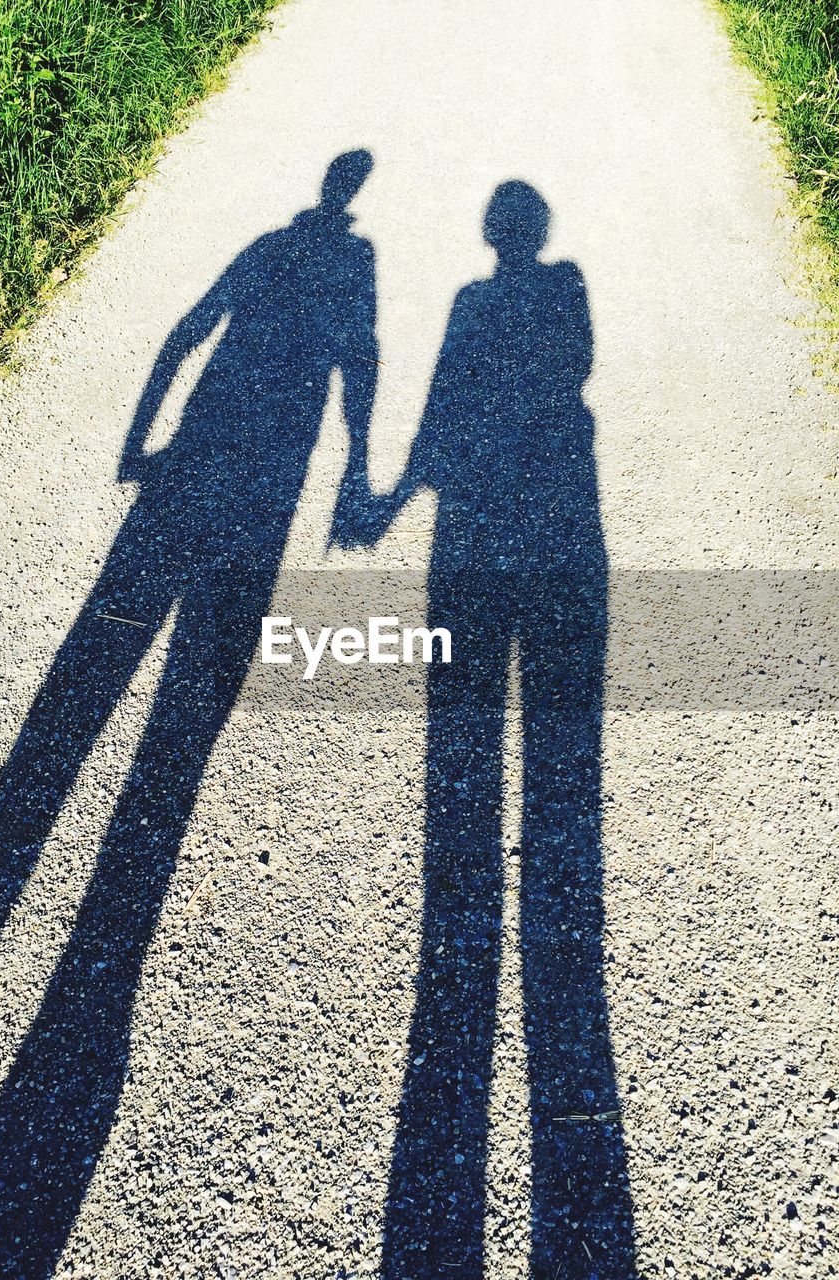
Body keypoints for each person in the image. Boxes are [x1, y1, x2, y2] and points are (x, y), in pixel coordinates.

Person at [0, 150, 379, 1279]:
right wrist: (352, 469)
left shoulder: (274, 248)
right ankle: (113, 902)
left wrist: (141, 436)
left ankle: (16, 849)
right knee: (185, 710)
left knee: (97, 673)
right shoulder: (352, 266)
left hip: (186, 475)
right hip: (261, 490)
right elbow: (358, 365)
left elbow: (190, 331)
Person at [335, 182, 635, 1279]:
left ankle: (462, 912)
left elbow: (439, 412)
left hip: (475, 536)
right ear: (540, 234)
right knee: (560, 754)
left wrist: (385, 496)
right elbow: (573, 373)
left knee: (466, 741)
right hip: (562, 529)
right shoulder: (567, 294)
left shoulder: (475, 301)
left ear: (489, 236)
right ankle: (546, 907)